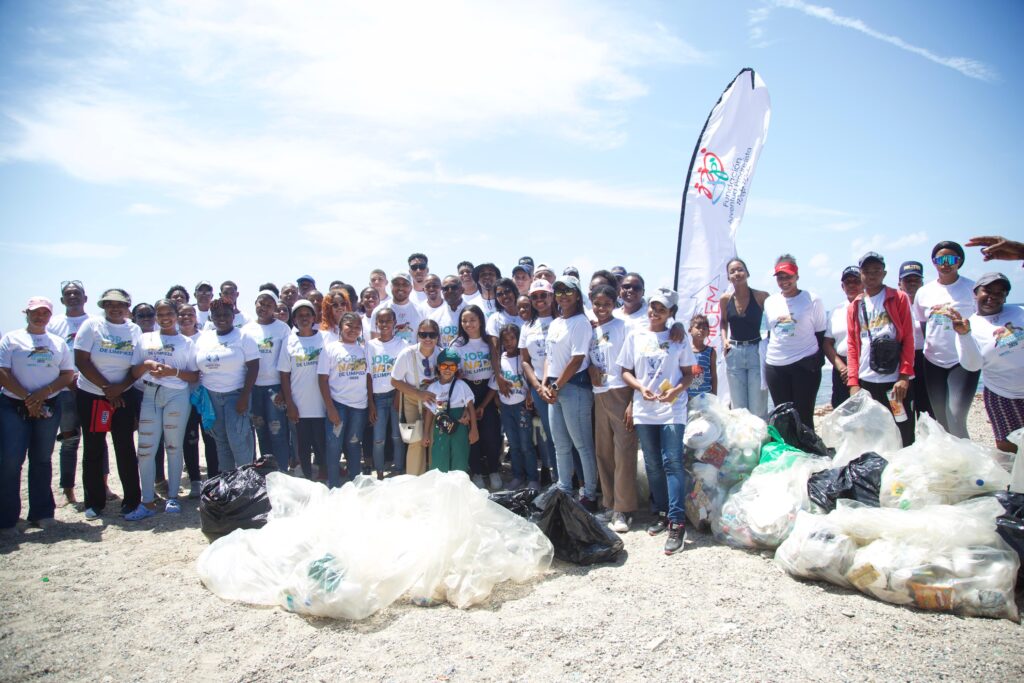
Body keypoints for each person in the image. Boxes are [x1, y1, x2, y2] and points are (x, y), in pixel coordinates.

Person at [617, 287, 695, 555]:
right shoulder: (635, 335)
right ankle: (661, 511)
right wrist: (640, 387)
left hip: (672, 409)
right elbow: (625, 371)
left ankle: (677, 523)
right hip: (644, 409)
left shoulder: (678, 337)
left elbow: (689, 373)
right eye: (653, 306)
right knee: (652, 463)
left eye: (662, 309)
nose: (655, 312)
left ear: (671, 313)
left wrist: (676, 391)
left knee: (672, 462)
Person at [0, 297, 75, 534]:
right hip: (13, 404)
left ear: (50, 316)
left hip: (48, 404)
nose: (40, 316)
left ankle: (42, 512)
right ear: (27, 313)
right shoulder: (11, 338)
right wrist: (27, 398)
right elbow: (3, 371)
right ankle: (7, 518)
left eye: (44, 313)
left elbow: (67, 374)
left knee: (42, 458)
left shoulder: (57, 342)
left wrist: (42, 395)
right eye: (35, 312)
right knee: (11, 460)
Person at [73, 288, 143, 519]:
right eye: (110, 304)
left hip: (123, 395)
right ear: (103, 306)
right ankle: (94, 503)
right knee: (93, 447)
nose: (115, 308)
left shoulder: (134, 329)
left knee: (125, 446)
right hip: (92, 395)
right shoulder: (92, 326)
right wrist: (107, 389)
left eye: (120, 304)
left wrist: (119, 389)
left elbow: (136, 367)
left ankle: (131, 500)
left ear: (127, 307)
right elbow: (81, 361)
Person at [126, 299, 199, 520]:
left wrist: (172, 372)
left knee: (173, 446)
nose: (165, 318)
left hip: (177, 395)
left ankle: (173, 497)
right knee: (145, 448)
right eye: (160, 314)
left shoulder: (186, 342)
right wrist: (147, 365)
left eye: (169, 313)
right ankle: (147, 501)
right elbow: (133, 372)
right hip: (150, 394)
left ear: (176, 315)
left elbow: (194, 375)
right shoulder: (145, 338)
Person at [539, 275, 599, 509]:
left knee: (582, 444)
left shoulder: (581, 322)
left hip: (574, 387)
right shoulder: (556, 323)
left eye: (568, 291)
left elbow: (577, 359)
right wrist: (545, 383)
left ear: (577, 295)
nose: (563, 296)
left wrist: (556, 386)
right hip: (555, 388)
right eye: (559, 291)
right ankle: (564, 488)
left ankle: (590, 494)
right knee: (560, 444)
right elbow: (549, 356)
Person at [845, 253, 916, 446]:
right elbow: (852, 346)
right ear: (861, 274)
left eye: (876, 270)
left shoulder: (898, 298)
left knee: (903, 429)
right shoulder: (855, 305)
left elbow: (909, 338)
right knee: (874, 433)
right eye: (867, 271)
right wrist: (853, 382)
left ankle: (904, 463)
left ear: (884, 273)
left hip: (894, 382)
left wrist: (904, 376)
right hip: (867, 380)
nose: (872, 275)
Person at [912, 241, 977, 438]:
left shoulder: (972, 288)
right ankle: (951, 455)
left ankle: (966, 455)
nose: (946, 264)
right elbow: (924, 324)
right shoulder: (924, 292)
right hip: (933, 361)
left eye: (951, 259)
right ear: (934, 262)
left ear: (959, 261)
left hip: (962, 359)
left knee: (956, 416)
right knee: (941, 418)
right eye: (941, 260)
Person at [952, 273, 1022, 453]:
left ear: (1005, 296)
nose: (992, 296)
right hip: (1002, 395)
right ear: (975, 293)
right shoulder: (969, 325)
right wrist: (964, 335)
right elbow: (972, 365)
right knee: (1010, 451)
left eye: (999, 293)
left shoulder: (1019, 312)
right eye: (987, 291)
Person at [587, 284, 637, 533]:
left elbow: (636, 365)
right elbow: (585, 359)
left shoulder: (625, 327)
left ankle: (623, 509)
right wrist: (591, 370)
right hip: (599, 394)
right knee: (604, 451)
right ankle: (609, 503)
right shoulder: (590, 329)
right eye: (597, 304)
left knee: (624, 452)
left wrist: (633, 401)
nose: (601, 308)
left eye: (607, 304)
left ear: (615, 303)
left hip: (621, 392)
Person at [194, 297, 260, 473]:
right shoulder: (204, 338)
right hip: (211, 397)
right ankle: (228, 481)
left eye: (226, 314)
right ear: (211, 316)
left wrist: (244, 397)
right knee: (221, 441)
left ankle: (246, 480)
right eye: (217, 315)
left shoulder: (243, 337)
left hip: (236, 395)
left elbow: (253, 367)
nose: (221, 318)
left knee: (238, 440)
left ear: (233, 316)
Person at [764, 255, 827, 430]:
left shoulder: (812, 299)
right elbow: (771, 332)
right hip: (775, 366)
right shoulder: (770, 302)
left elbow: (820, 333)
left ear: (797, 276)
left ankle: (808, 447)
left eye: (788, 276)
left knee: (804, 417)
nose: (784, 281)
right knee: (783, 418)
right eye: (780, 277)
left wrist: (816, 361)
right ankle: (788, 448)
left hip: (805, 364)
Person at [46, 280, 91, 506]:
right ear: (62, 300)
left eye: (77, 293)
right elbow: (47, 355)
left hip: (91, 389)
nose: (73, 296)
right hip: (64, 391)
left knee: (96, 440)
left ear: (85, 298)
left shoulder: (94, 323)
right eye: (68, 294)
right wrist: (67, 378)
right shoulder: (53, 324)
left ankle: (102, 485)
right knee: (69, 440)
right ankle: (68, 490)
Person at [452, 305, 502, 489]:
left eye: (472, 320)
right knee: (472, 434)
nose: (468, 324)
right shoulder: (457, 345)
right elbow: (456, 376)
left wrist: (483, 404)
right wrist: (468, 404)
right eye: (464, 321)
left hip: (488, 390)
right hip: (467, 391)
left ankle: (494, 470)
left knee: (491, 433)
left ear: (481, 320)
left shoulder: (490, 342)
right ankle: (477, 471)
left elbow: (496, 372)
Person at [318, 311, 371, 487]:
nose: (353, 330)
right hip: (338, 405)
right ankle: (333, 484)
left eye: (357, 327)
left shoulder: (364, 350)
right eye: (349, 325)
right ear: (341, 327)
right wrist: (330, 408)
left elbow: (368, 378)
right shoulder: (330, 349)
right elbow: (322, 380)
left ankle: (355, 482)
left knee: (354, 443)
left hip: (359, 406)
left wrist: (370, 405)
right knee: (334, 445)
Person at [243, 291, 292, 472]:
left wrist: (284, 391)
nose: (263, 308)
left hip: (275, 388)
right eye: (261, 303)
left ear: (274, 308)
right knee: (261, 432)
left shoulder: (282, 329)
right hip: (254, 389)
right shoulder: (246, 330)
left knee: (277, 432)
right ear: (255, 304)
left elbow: (287, 361)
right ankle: (267, 473)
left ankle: (282, 472)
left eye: (269, 305)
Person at [278, 299, 326, 479]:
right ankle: (307, 477)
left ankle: (324, 477)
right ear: (294, 319)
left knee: (322, 444)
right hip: (299, 404)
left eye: (308, 314)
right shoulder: (289, 341)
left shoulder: (324, 338)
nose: (304, 318)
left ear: (314, 318)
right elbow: (284, 375)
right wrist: (290, 404)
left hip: (322, 403)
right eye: (300, 315)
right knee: (303, 446)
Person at [719, 258, 769, 417]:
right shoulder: (725, 299)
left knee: (758, 407)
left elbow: (773, 322)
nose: (737, 273)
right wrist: (724, 340)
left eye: (740, 269)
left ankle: (760, 434)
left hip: (756, 351)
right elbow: (723, 322)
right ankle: (742, 434)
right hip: (734, 353)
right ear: (728, 277)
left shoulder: (761, 296)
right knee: (738, 408)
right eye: (732, 271)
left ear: (747, 273)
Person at [390, 319, 441, 475]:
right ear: (418, 335)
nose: (427, 338)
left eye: (432, 335)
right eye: (423, 334)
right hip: (412, 400)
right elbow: (395, 381)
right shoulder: (407, 353)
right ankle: (414, 478)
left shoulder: (441, 353)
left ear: (437, 336)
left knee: (434, 438)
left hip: (434, 401)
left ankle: (434, 476)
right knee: (415, 440)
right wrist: (418, 394)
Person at [520, 279, 557, 484]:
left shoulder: (562, 320)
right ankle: (558, 480)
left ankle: (578, 482)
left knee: (570, 437)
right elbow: (525, 361)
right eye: (535, 296)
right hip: (539, 388)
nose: (539, 299)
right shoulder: (527, 327)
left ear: (552, 296)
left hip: (561, 383)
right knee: (551, 435)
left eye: (544, 295)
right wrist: (536, 386)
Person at [491, 323, 537, 489]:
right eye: (505, 339)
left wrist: (531, 394)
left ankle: (533, 478)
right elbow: (495, 381)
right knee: (514, 444)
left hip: (522, 407)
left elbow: (531, 379)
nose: (509, 342)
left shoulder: (523, 358)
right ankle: (518, 476)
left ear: (518, 339)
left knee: (526, 445)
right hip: (506, 408)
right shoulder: (500, 359)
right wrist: (497, 398)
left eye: (512, 338)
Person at [367, 307, 408, 478]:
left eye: (388, 321)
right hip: (378, 398)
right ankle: (379, 472)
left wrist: (398, 395)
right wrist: (371, 403)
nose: (384, 324)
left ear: (394, 323)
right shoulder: (370, 346)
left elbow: (404, 374)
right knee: (378, 439)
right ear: (376, 323)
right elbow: (368, 375)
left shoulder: (402, 344)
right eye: (381, 321)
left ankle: (398, 469)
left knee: (397, 436)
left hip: (396, 394)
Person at [422, 349, 478, 473]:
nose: (447, 369)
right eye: (444, 366)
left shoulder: (462, 385)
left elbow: (471, 407)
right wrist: (426, 433)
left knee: (460, 457)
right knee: (439, 457)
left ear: (456, 368)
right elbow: (430, 412)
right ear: (438, 367)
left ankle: (458, 484)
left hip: (460, 426)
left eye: (452, 367)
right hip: (441, 427)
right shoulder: (433, 388)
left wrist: (474, 429)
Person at [177, 303, 214, 492]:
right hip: (183, 396)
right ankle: (195, 480)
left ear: (196, 317)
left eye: (190, 314)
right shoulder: (174, 339)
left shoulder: (206, 338)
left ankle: (214, 478)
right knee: (189, 438)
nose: (186, 318)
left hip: (206, 395)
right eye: (182, 314)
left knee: (211, 437)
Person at [822, 266, 863, 409]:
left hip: (866, 366)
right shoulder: (836, 311)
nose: (852, 285)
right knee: (842, 410)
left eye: (856, 281)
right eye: (847, 282)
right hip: (842, 368)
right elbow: (827, 343)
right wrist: (843, 368)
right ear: (842, 286)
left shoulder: (872, 305)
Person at [898, 261, 931, 418]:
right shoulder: (895, 305)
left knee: (927, 407)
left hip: (925, 358)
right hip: (903, 360)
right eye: (907, 280)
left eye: (916, 280)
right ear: (899, 284)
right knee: (902, 407)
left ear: (922, 283)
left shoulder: (930, 305)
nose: (912, 283)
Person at [375, 273, 422, 345]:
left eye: (405, 284)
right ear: (391, 286)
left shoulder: (421, 311)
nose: (400, 288)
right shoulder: (379, 311)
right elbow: (375, 343)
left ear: (411, 288)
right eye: (396, 284)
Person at [429, 275, 466, 348]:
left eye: (454, 287)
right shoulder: (434, 317)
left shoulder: (474, 313)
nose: (450, 291)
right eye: (445, 288)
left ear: (462, 290)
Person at [687, 314, 718, 399]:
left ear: (708, 332)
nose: (701, 330)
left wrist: (714, 396)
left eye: (704, 328)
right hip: (687, 397)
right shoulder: (684, 351)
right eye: (698, 327)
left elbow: (713, 376)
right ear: (690, 330)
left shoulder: (711, 352)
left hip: (705, 398)